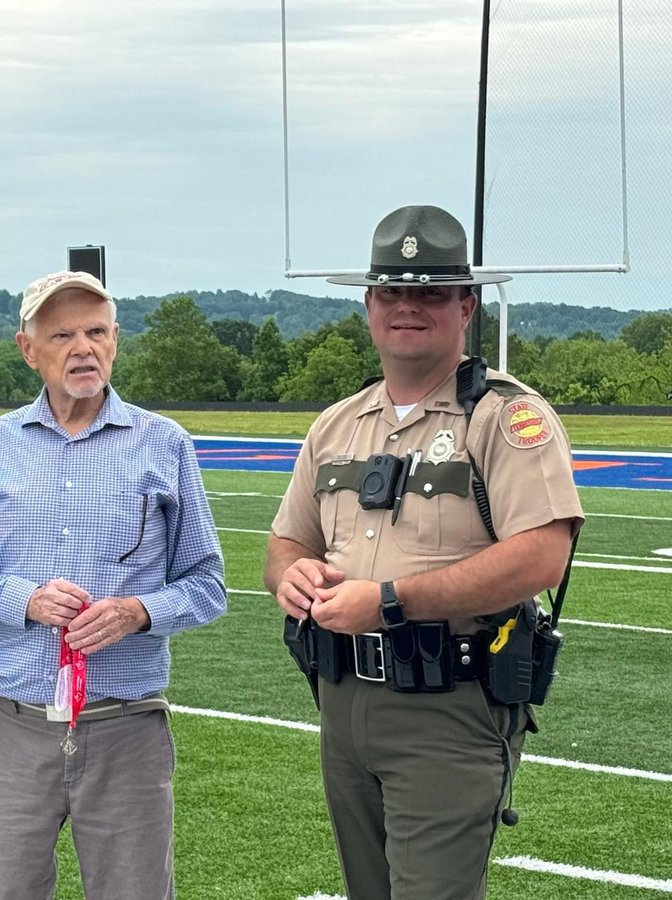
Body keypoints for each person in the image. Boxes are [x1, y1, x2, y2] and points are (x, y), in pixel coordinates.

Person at [264, 205, 584, 900]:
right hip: (343, 702)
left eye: (431, 292)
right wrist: (292, 575)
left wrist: (389, 602)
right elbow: (287, 541)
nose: (408, 307)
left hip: (448, 704)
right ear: (369, 304)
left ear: (465, 304)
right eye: (393, 292)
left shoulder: (503, 417)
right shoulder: (338, 423)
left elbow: (540, 557)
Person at [0, 270, 227, 900]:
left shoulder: (164, 445)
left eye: (96, 332)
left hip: (127, 728)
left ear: (116, 340)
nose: (83, 349)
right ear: (29, 350)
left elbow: (208, 584)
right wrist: (22, 599)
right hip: (14, 726)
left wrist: (138, 612)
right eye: (62, 335)